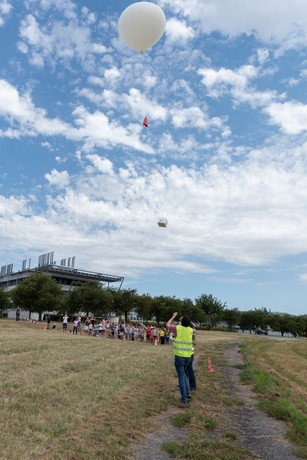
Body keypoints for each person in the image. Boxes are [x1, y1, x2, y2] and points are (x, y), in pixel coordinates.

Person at [166, 312, 193, 404]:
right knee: (184, 374)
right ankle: (188, 391)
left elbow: (168, 324)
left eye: (180, 319)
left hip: (179, 356)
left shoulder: (177, 328)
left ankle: (184, 398)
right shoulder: (190, 329)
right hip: (188, 356)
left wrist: (173, 316)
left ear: (181, 321)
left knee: (181, 376)